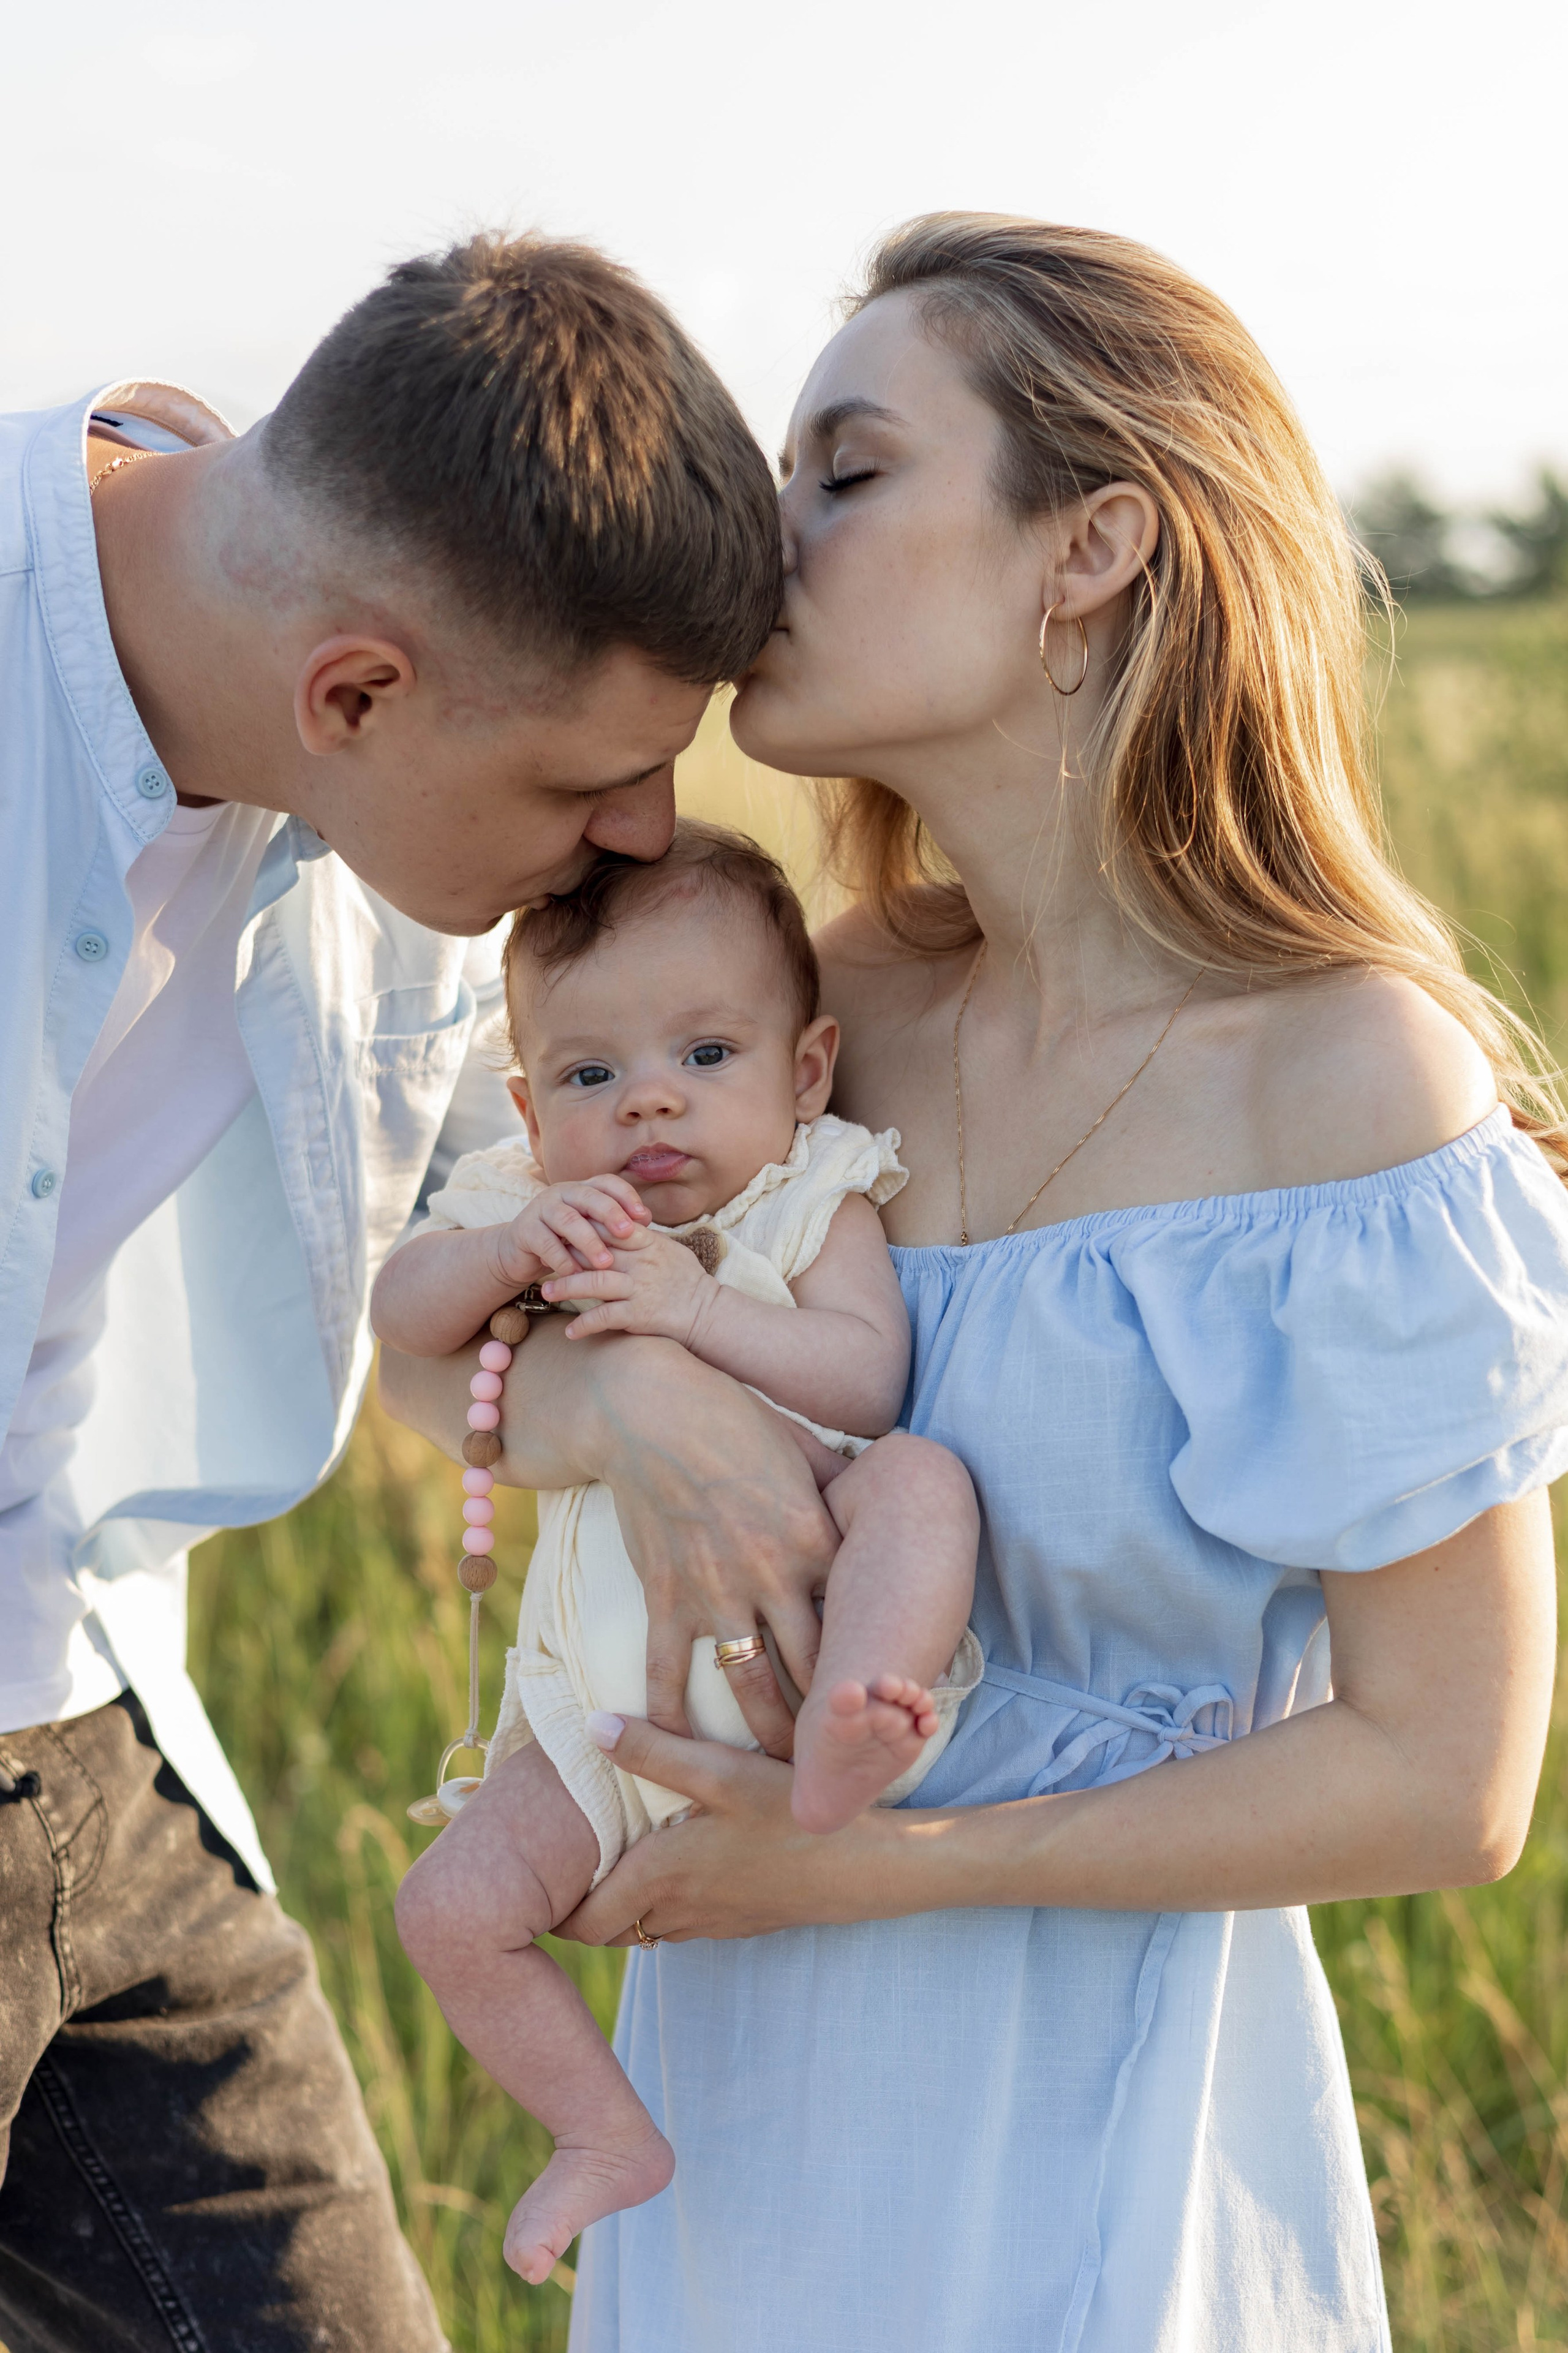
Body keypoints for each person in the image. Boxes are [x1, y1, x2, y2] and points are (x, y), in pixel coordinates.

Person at [380, 214, 1568, 2352]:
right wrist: (634, 1404)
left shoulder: (1346, 1075)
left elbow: (1450, 1780)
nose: (768, 532)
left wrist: (889, 1860)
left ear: (1089, 547)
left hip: (1087, 2122)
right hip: (732, 2106)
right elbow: (439, 1371)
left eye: (849, 469)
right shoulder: (801, 1021)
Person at [0, 234, 780, 2350]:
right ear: (352, 688)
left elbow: (456, 1312)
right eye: (585, 784)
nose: (642, 837)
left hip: (100, 1739)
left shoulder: (417, 821)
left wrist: (651, 1405)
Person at [375, 820, 981, 2283]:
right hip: (608, 1722)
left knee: (919, 1479)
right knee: (446, 1910)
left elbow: (864, 1374)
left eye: (706, 1057)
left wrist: (697, 1314)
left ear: (807, 1073)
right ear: (529, 1105)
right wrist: (510, 1253)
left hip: (814, 1587)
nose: (650, 1101)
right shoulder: (530, 1206)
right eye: (590, 1076)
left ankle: (852, 1720)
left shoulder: (812, 1189)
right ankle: (600, 2134)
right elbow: (404, 1317)